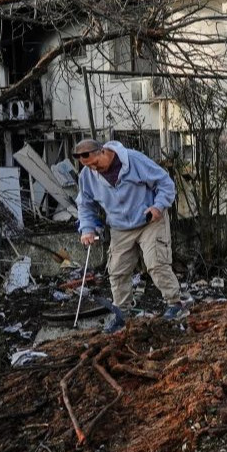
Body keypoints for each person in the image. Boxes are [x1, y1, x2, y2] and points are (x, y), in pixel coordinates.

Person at [75, 138, 187, 333]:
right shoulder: (88, 175)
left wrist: (159, 205)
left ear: (102, 152)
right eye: (88, 166)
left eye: (94, 163)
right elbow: (85, 204)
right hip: (119, 227)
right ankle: (122, 314)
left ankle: (175, 304)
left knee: (156, 262)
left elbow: (165, 182)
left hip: (149, 219)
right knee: (117, 270)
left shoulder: (133, 161)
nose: (93, 169)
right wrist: (87, 229)